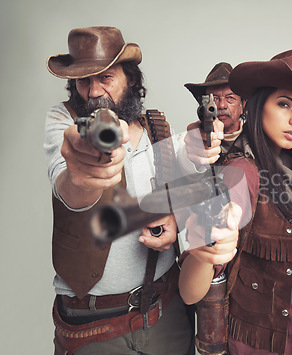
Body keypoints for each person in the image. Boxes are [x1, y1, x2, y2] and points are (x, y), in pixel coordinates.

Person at [179, 48, 292, 355]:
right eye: (284, 104)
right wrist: (208, 247)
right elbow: (190, 293)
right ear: (258, 107)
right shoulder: (241, 171)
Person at [44, 26, 193, 354]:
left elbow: (189, 191)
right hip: (93, 324)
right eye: (85, 81)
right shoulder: (62, 120)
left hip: (165, 310)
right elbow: (67, 185)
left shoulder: (158, 128)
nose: (94, 91)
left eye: (106, 78)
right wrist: (83, 173)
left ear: (131, 80)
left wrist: (177, 218)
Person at [177, 62, 246, 174]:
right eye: (214, 99)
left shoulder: (258, 139)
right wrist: (194, 156)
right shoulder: (188, 139)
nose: (222, 105)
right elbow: (184, 160)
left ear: (242, 105)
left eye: (230, 98)